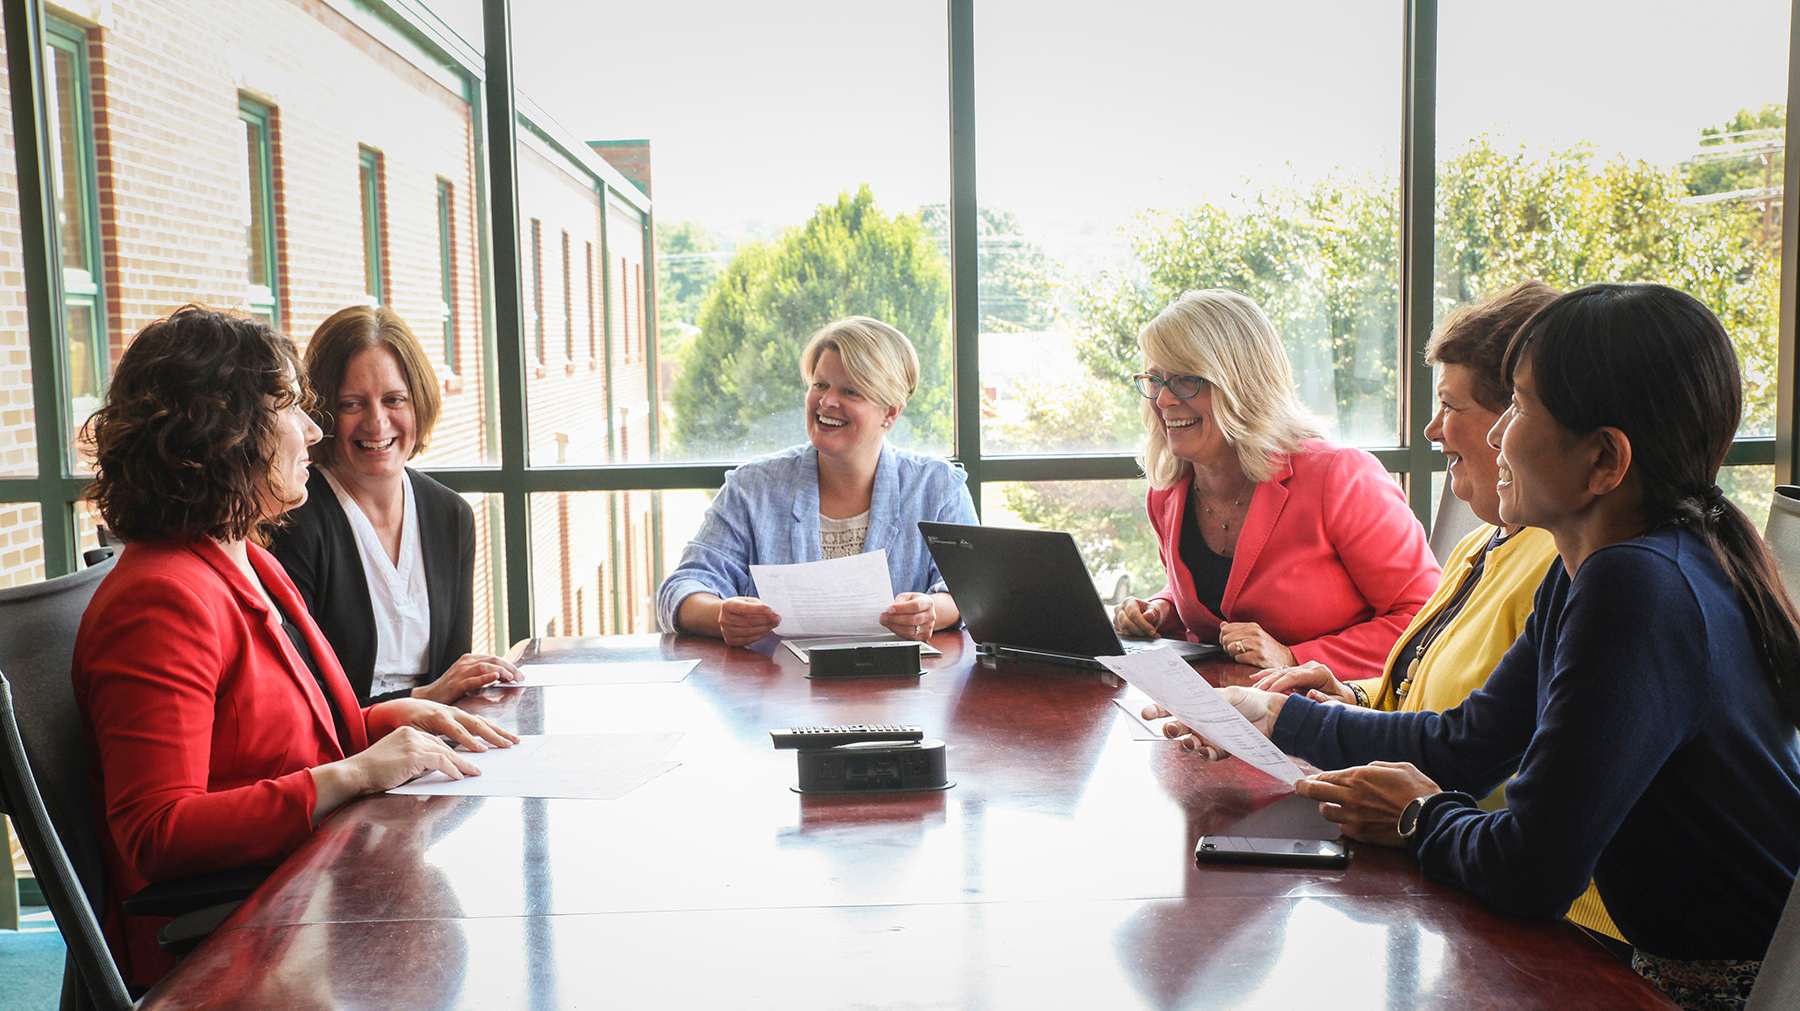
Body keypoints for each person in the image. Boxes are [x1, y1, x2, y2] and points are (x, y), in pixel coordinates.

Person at [1153, 284, 1800, 1011]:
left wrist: (1418, 816)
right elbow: (1469, 742)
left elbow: (1531, 870)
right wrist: (1280, 718)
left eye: (1519, 407)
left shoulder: (1637, 586)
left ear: (1603, 461)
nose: (1496, 435)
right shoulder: (1594, 568)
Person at [73, 306, 516, 988]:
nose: (313, 431)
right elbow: (157, 832)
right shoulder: (159, 600)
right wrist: (358, 771)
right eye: (292, 408)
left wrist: (386, 720)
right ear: (226, 433)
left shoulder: (247, 557)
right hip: (240, 943)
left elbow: (278, 744)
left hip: (304, 900)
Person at [1111, 289, 1440, 678]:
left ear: (1243, 386)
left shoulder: (1339, 476)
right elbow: (1217, 597)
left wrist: (1293, 658)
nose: (1163, 400)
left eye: (1186, 380)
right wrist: (1161, 611)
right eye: (1155, 380)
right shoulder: (1167, 494)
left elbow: (1427, 621)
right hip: (1226, 716)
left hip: (1340, 718)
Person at [656, 316, 978, 646]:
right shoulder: (752, 487)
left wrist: (930, 612)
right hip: (776, 688)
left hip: (903, 689)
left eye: (850, 391)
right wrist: (721, 615)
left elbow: (972, 594)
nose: (826, 402)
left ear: (891, 412)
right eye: (820, 385)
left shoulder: (938, 487)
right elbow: (682, 590)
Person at [269, 306, 520, 705]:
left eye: (393, 399)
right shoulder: (293, 521)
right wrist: (426, 697)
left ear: (418, 402)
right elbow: (304, 703)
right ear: (322, 412)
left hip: (434, 743)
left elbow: (456, 675)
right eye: (352, 403)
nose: (377, 422)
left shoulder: (450, 515)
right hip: (347, 756)